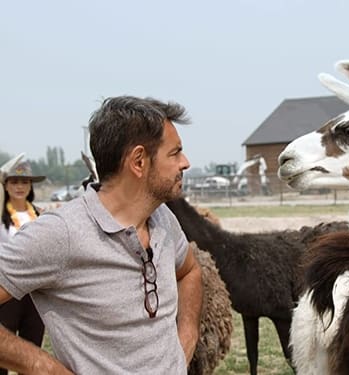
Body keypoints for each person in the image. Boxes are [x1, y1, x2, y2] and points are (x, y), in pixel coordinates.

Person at [0, 96, 203, 374]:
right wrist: (43, 367)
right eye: (175, 152)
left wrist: (186, 339)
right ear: (139, 162)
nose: (185, 162)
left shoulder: (163, 218)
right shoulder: (62, 233)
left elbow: (190, 270)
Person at [0, 161, 46, 375]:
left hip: (34, 293)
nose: (19, 186)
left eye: (24, 182)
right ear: (5, 186)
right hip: (6, 291)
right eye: (14, 181)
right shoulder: (1, 217)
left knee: (32, 348)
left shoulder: (42, 216)